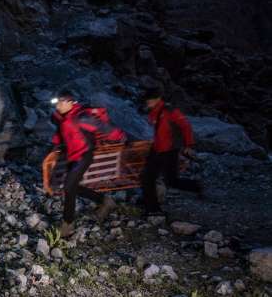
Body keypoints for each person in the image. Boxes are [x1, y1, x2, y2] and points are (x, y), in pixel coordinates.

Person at [50, 90, 126, 238]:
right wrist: (54, 147)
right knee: (73, 187)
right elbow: (61, 134)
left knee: (68, 187)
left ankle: (67, 225)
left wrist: (122, 138)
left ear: (71, 103)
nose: (58, 105)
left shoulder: (83, 118)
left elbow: (106, 129)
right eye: (57, 102)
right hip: (72, 155)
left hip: (84, 156)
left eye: (61, 102)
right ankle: (105, 200)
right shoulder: (61, 117)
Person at [140, 86, 202, 217]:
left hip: (169, 150)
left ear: (157, 99)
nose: (147, 102)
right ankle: (152, 207)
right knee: (147, 177)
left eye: (149, 100)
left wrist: (188, 145)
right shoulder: (153, 111)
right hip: (156, 148)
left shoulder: (170, 110)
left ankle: (196, 186)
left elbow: (185, 126)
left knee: (171, 181)